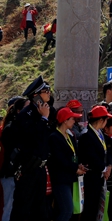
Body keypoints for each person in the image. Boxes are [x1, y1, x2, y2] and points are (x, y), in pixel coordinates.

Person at [7, 76, 52, 221]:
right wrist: (44, 119)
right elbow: (33, 138)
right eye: (46, 90)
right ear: (36, 95)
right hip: (28, 168)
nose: (49, 92)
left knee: (40, 208)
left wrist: (45, 117)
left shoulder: (45, 111)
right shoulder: (27, 114)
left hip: (40, 168)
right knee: (23, 207)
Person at [48, 107, 87, 221]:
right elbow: (60, 160)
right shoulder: (54, 137)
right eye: (72, 119)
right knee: (66, 210)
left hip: (71, 179)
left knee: (68, 211)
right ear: (65, 120)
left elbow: (73, 156)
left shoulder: (69, 136)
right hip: (60, 180)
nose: (74, 121)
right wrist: (76, 169)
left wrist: (79, 165)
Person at [79, 105, 112, 221]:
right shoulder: (86, 135)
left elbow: (108, 151)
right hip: (91, 176)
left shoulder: (101, 134)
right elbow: (90, 156)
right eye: (106, 120)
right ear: (101, 120)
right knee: (90, 207)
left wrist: (109, 165)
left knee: (98, 208)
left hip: (100, 176)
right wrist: (103, 168)